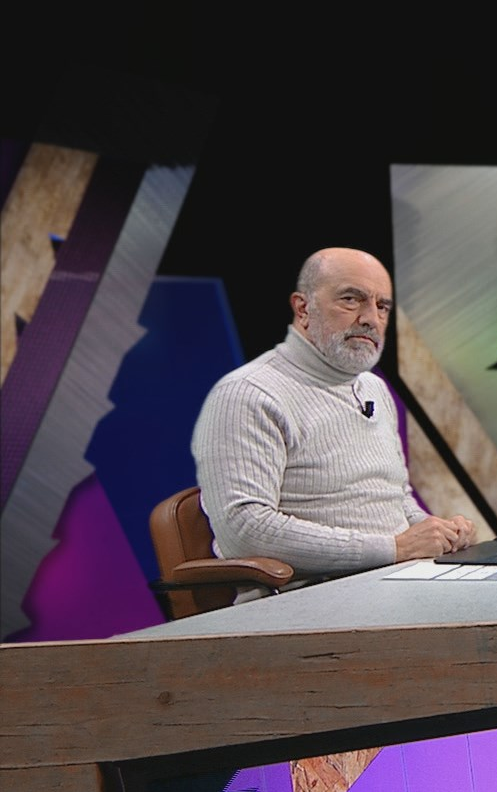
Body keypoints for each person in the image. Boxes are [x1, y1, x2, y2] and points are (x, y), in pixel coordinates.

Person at [190, 247, 476, 579]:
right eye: (351, 300)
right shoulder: (248, 393)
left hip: (399, 577)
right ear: (303, 308)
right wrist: (394, 548)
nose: (371, 319)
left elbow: (395, 499)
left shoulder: (373, 389)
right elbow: (244, 530)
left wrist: (438, 532)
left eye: (382, 306)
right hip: (309, 595)